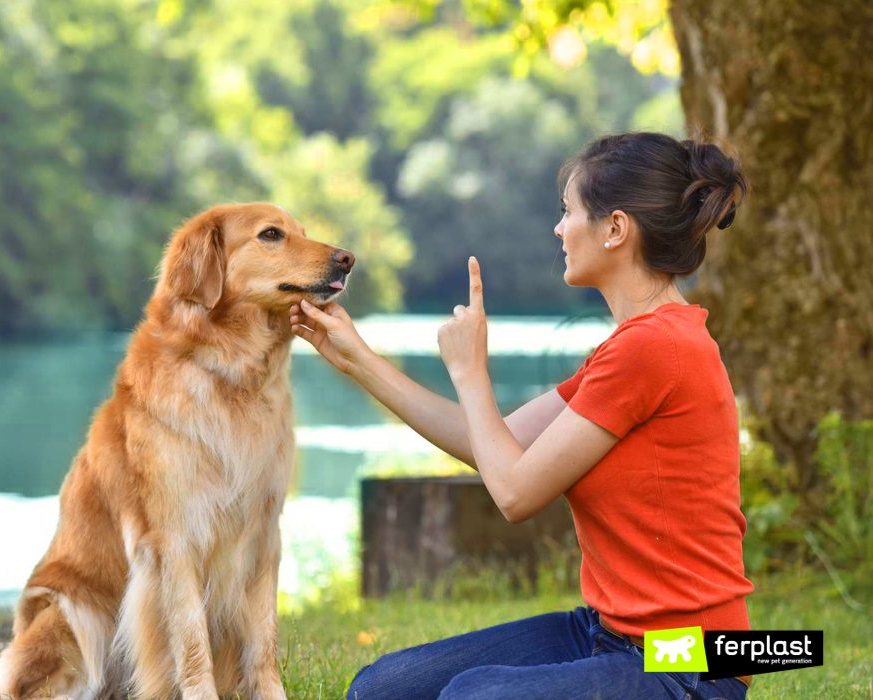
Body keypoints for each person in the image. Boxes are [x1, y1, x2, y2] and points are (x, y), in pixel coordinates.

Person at [290, 132, 754, 700]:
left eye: (568, 212)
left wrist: (471, 373)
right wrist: (358, 360)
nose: (559, 229)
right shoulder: (630, 347)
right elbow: (497, 444)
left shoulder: (654, 349)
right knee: (382, 689)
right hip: (610, 635)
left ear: (615, 228)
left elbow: (513, 493)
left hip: (694, 656)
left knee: (473, 697)